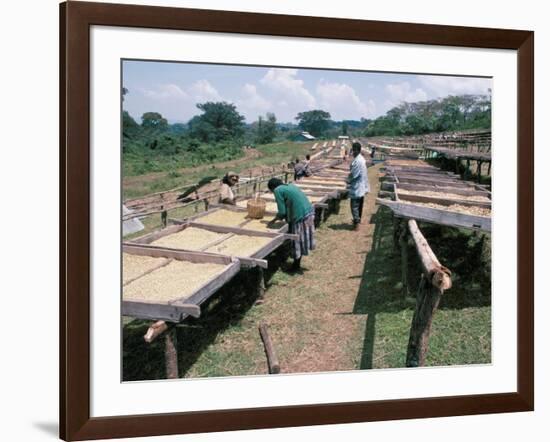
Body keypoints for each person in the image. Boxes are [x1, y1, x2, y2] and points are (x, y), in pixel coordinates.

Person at [267, 178, 315, 271]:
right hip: (309, 212)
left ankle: (295, 266)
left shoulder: (278, 190)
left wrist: (274, 220)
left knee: (297, 240)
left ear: (272, 187)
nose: (273, 192)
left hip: (300, 215)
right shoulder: (290, 186)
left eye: (271, 191)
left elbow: (282, 211)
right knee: (302, 238)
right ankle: (297, 263)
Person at [347, 142, 369, 230]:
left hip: (357, 186)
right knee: (359, 205)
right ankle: (358, 220)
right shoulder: (361, 159)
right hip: (362, 186)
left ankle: (356, 223)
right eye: (353, 150)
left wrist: (347, 180)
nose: (353, 152)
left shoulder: (357, 161)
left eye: (354, 150)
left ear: (357, 150)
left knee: (354, 206)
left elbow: (353, 175)